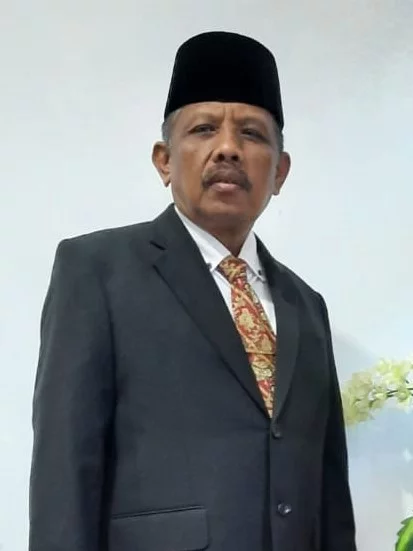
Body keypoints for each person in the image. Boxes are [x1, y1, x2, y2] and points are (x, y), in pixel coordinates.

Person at [29, 31, 357, 551]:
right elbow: (64, 469)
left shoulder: (306, 306)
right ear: (164, 160)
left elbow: (330, 492)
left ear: (279, 172)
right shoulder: (97, 271)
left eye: (252, 133)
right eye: (203, 129)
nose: (228, 148)